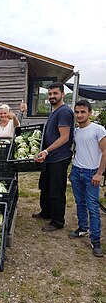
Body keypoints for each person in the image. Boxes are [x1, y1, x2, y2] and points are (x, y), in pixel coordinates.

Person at [33, 82, 74, 231]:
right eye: (50, 94)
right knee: (45, 187)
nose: (52, 96)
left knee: (56, 190)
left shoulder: (63, 112)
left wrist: (46, 151)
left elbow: (64, 137)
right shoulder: (54, 111)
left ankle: (57, 221)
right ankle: (46, 212)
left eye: (55, 93)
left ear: (62, 94)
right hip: (50, 157)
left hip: (59, 158)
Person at [69, 100, 106, 257]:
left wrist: (99, 173)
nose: (79, 115)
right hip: (77, 171)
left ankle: (95, 240)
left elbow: (105, 152)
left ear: (89, 113)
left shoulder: (98, 129)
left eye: (83, 112)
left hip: (92, 173)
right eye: (77, 112)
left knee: (92, 206)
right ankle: (83, 228)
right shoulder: (76, 131)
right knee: (80, 202)